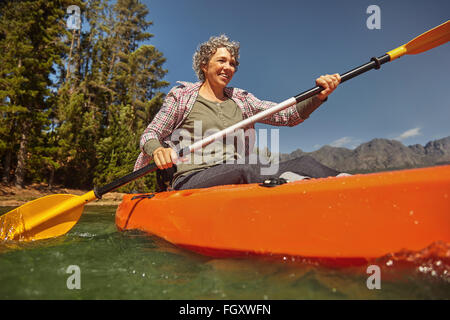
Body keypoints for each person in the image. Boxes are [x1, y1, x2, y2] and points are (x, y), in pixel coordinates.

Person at [134, 35, 343, 191]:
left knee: (305, 163)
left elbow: (286, 116)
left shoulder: (242, 100)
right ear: (204, 65)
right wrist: (157, 151)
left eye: (233, 63)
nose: (229, 67)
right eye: (222, 61)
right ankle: (303, 192)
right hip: (192, 178)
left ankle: (353, 184)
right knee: (248, 165)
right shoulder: (181, 96)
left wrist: (319, 96)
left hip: (237, 172)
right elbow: (150, 135)